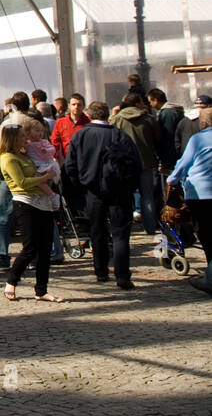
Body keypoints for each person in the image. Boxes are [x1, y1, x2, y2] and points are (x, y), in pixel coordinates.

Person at [65, 101, 141, 289]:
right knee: (120, 234)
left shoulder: (80, 135)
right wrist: (130, 186)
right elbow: (135, 164)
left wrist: (78, 187)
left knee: (97, 231)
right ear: (107, 115)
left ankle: (101, 271)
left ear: (89, 115)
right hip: (119, 190)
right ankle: (122, 275)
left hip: (92, 191)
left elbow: (70, 166)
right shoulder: (119, 135)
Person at [0, 122, 63, 302]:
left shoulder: (24, 154)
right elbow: (22, 183)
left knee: (44, 248)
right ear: (12, 139)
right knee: (30, 247)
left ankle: (41, 289)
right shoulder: (8, 158)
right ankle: (11, 282)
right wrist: (45, 177)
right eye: (21, 137)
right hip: (25, 203)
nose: (25, 139)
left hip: (43, 203)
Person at [168, 105, 212, 294]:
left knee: (207, 236)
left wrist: (171, 179)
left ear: (203, 123)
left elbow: (183, 164)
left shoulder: (198, 139)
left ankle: (210, 279)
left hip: (200, 193)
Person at [111, 92, 162, 233]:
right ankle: (150, 227)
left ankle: (127, 226)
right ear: (138, 102)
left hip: (125, 163)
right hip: (146, 161)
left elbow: (111, 135)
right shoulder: (147, 118)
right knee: (147, 195)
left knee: (126, 196)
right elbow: (158, 137)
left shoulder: (118, 118)